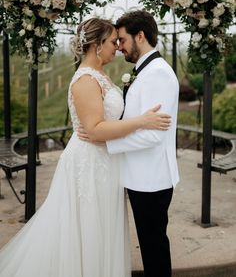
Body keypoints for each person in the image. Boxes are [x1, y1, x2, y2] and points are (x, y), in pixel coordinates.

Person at [0, 17, 171, 277]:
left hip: (107, 161)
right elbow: (94, 129)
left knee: (104, 227)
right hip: (90, 162)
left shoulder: (102, 74)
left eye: (119, 41)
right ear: (96, 44)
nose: (117, 47)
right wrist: (143, 120)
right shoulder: (85, 80)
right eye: (113, 42)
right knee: (89, 227)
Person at [105, 10, 180, 277]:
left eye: (122, 40)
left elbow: (153, 134)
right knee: (151, 245)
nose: (119, 46)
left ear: (140, 36)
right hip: (143, 176)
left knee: (154, 248)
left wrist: (108, 144)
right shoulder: (146, 70)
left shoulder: (157, 74)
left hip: (151, 179)